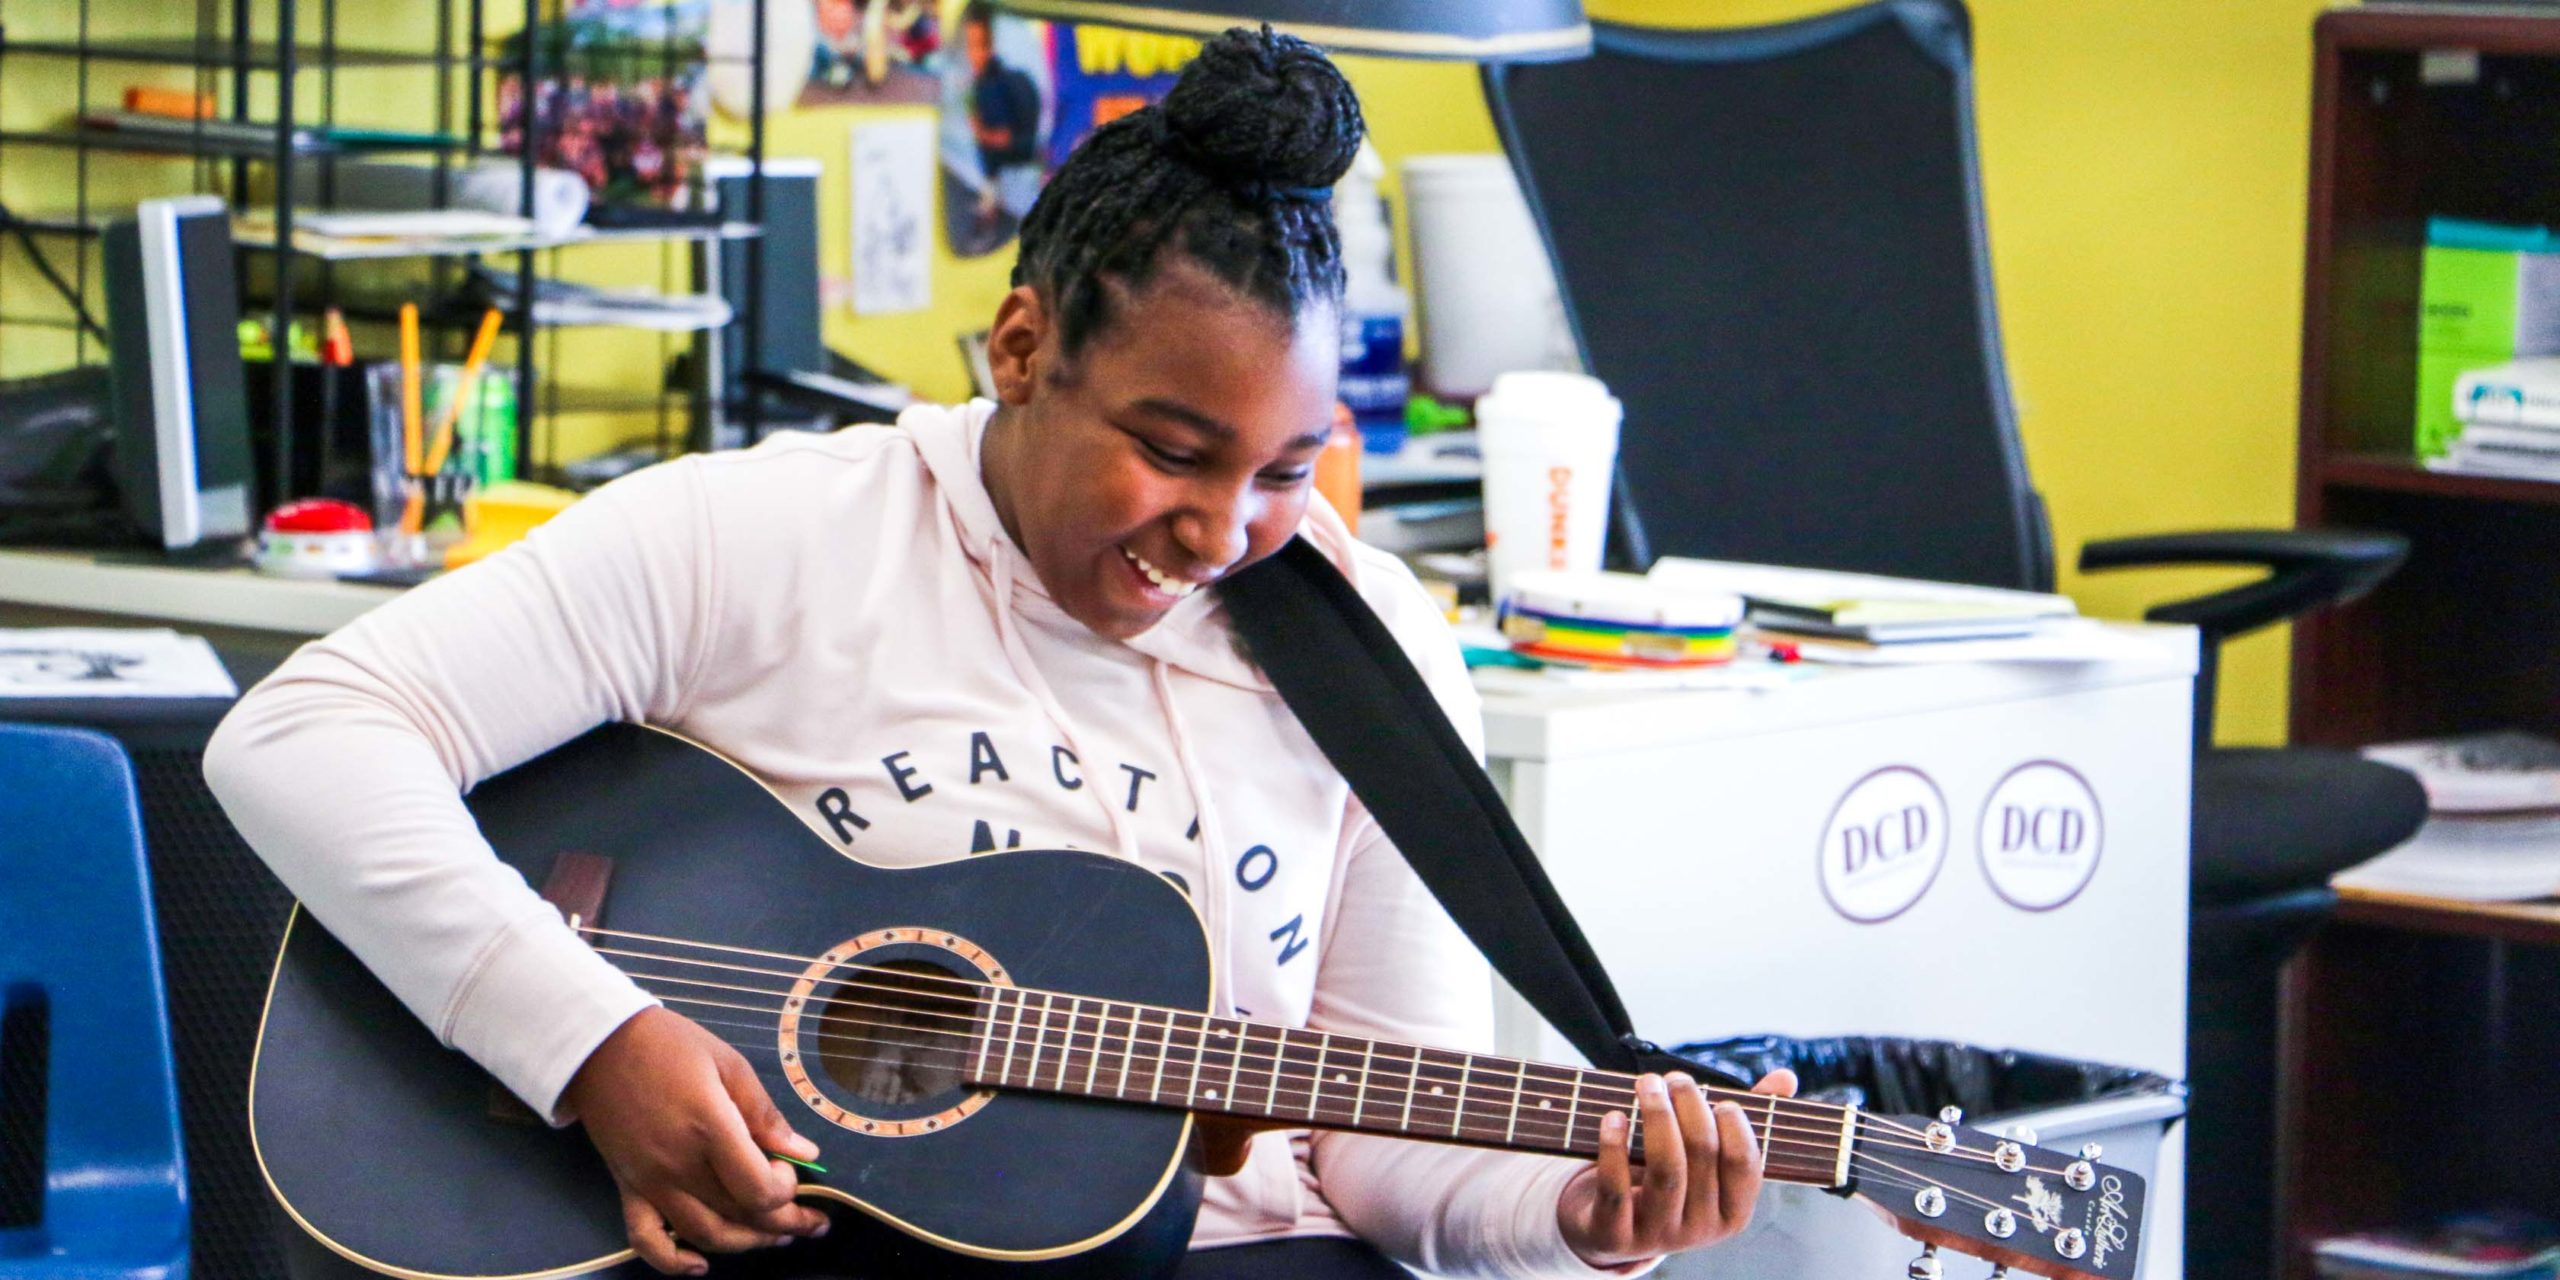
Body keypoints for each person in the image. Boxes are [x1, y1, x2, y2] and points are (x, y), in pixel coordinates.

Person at [204, 27, 1792, 1280]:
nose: (1228, 528)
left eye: (1289, 467)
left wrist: (1587, 1216)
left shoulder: (1366, 654)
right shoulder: (760, 536)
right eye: (1173, 450)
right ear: (1021, 347)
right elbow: (304, 734)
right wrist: (589, 1040)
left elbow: (1377, 1146)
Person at [961, 1, 1044, 232]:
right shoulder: (983, 83)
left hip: (1021, 168)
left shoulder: (994, 85)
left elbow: (1003, 139)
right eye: (968, 46)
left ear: (989, 47)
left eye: (976, 46)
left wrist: (978, 130)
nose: (971, 55)